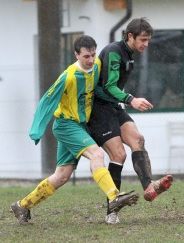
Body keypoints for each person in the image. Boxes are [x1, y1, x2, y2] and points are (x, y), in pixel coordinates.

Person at [10, 35, 139, 225]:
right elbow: (47, 99)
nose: (91, 60)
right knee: (96, 154)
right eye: (86, 56)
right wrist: (37, 129)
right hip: (66, 125)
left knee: (61, 176)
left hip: (79, 126)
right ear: (76, 54)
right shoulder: (68, 76)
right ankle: (114, 197)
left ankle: (22, 205)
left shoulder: (95, 68)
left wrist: (120, 100)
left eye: (93, 55)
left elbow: (99, 90)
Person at [87, 17, 173, 225]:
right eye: (143, 40)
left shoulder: (128, 53)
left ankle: (149, 186)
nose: (146, 44)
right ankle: (111, 210)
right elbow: (108, 86)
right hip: (99, 108)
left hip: (113, 106)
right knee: (119, 154)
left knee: (137, 139)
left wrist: (126, 100)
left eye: (148, 40)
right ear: (130, 36)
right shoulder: (114, 52)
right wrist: (131, 99)